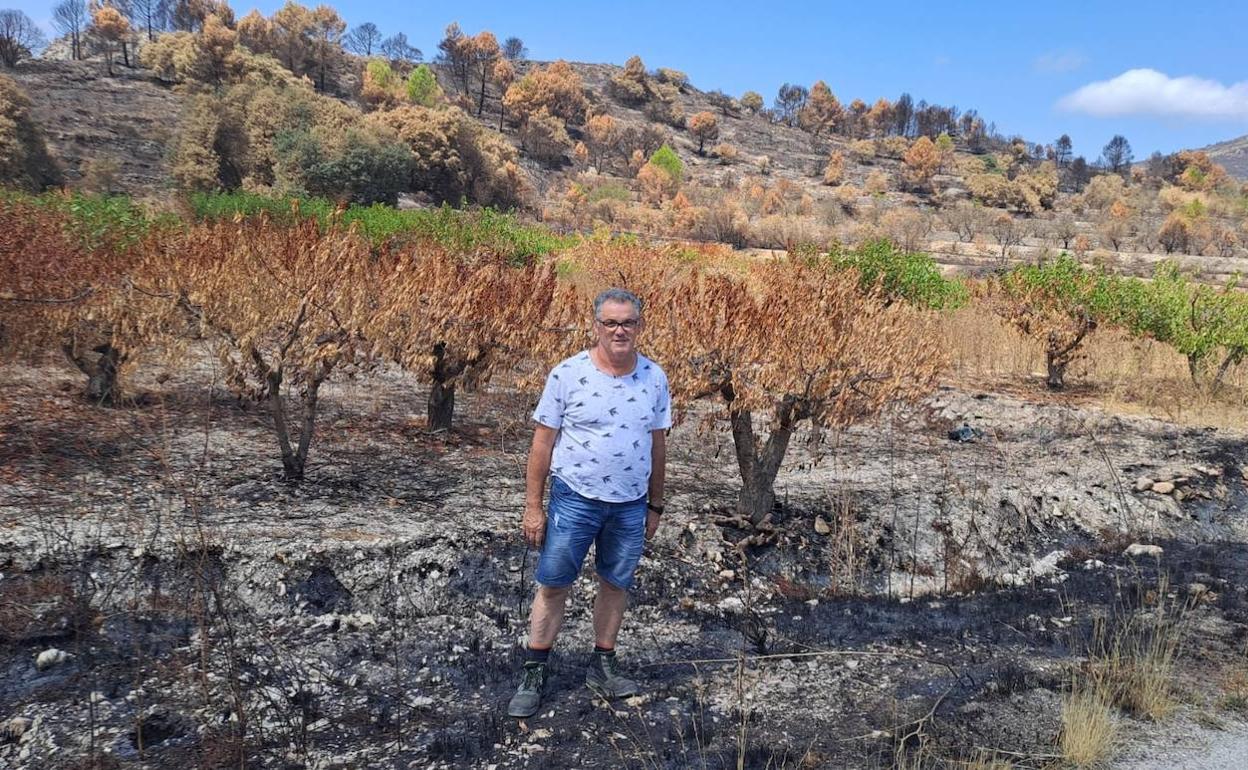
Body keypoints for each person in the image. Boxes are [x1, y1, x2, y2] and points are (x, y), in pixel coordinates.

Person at [507, 287, 671, 719]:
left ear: (640, 326)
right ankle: (534, 670)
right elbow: (542, 446)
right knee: (554, 583)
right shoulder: (567, 374)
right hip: (574, 499)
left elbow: (658, 445)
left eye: (628, 322)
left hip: (630, 505)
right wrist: (533, 506)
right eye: (611, 322)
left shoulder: (655, 377)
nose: (620, 330)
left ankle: (602, 664)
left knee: (616, 583)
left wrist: (655, 505)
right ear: (596, 326)